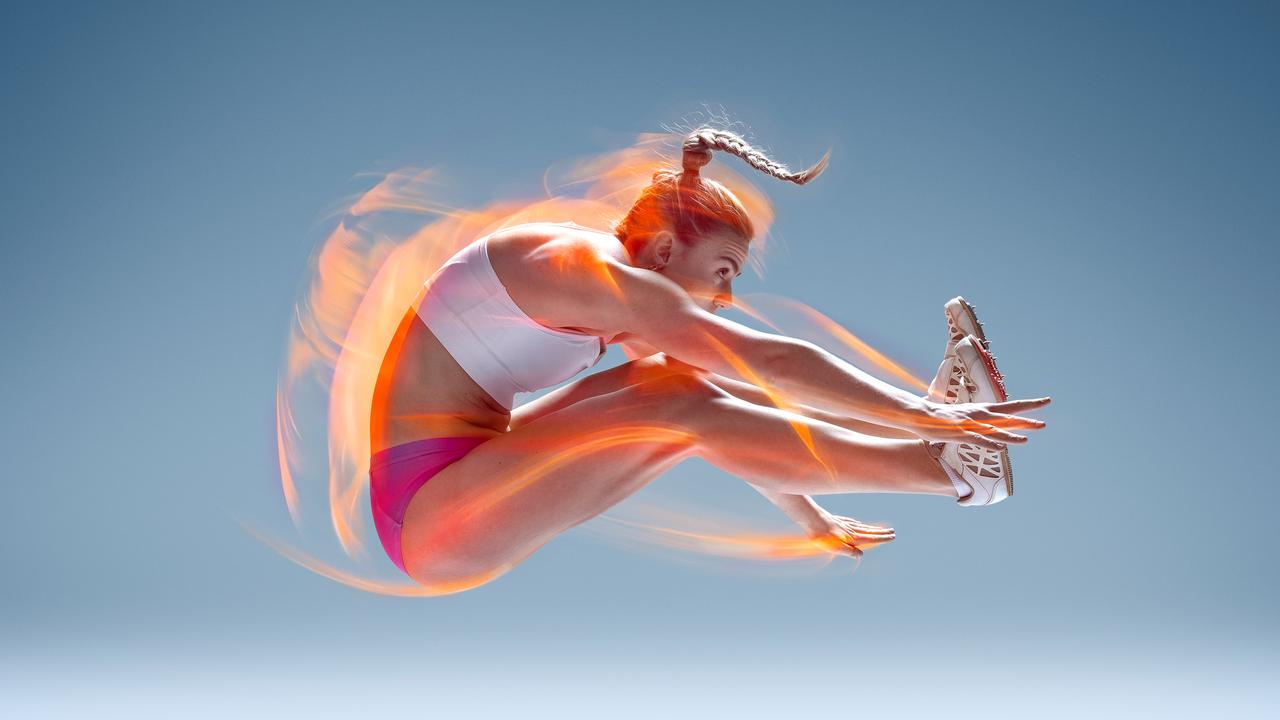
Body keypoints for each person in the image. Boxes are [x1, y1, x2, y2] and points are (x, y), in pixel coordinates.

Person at [368, 128, 1050, 590]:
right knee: (678, 397)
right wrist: (917, 412)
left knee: (673, 383)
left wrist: (810, 518)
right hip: (431, 515)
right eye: (722, 271)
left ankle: (949, 468)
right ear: (662, 250)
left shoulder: (610, 296)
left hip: (462, 486)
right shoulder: (587, 271)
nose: (723, 297)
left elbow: (721, 413)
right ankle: (947, 470)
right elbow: (766, 360)